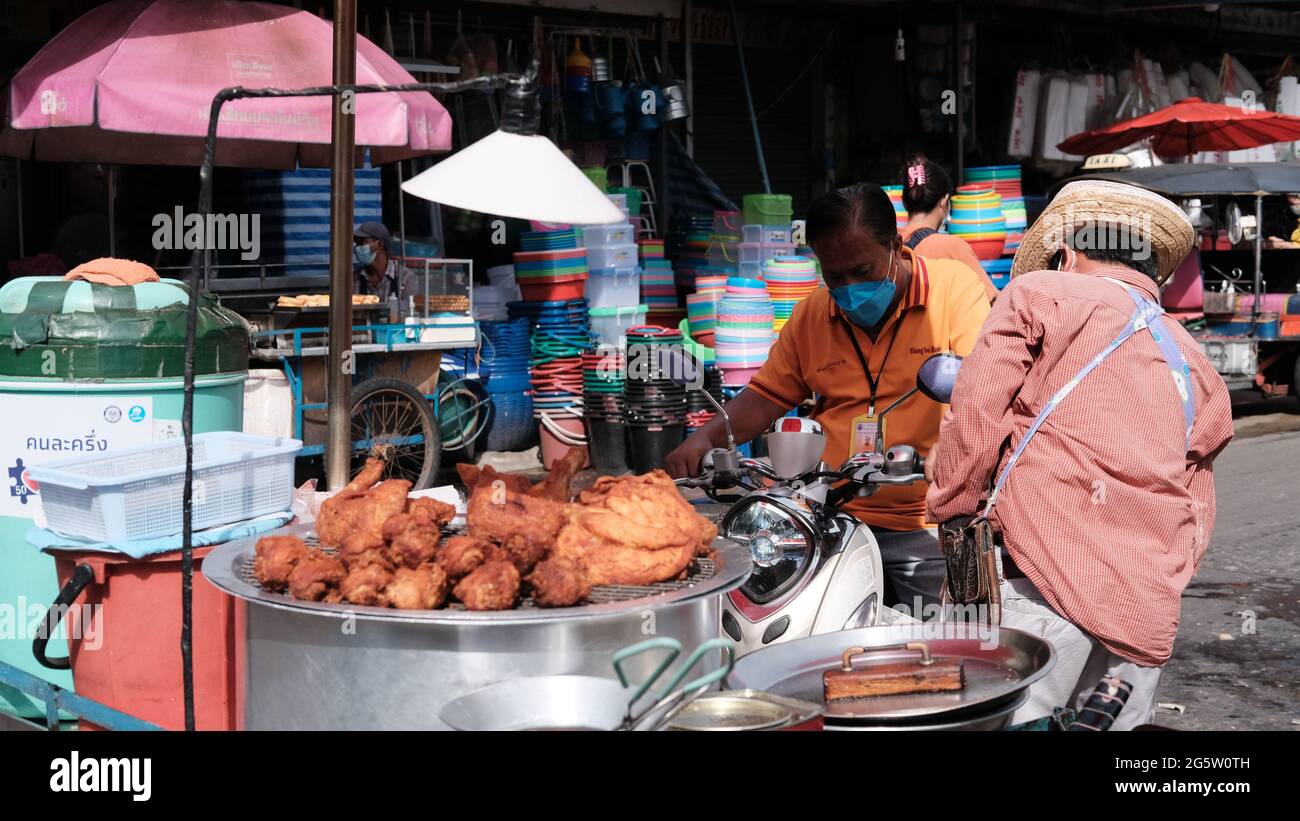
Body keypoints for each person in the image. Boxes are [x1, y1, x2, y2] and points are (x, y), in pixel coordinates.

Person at [926, 180, 1234, 729]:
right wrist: (1155, 576)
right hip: (1144, 605)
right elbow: (1198, 501)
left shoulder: (1038, 294)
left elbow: (975, 420)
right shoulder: (1193, 358)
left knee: (1005, 722)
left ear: (1067, 253)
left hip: (1038, 581)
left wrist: (952, 511)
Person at [666, 182, 992, 612]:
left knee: (955, 639)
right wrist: (706, 438)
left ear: (895, 246)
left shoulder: (954, 291)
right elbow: (766, 396)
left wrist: (952, 450)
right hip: (831, 513)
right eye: (834, 275)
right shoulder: (813, 313)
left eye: (862, 270)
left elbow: (980, 388)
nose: (849, 286)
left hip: (930, 520)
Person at [898, 154, 999, 302]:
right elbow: (992, 300)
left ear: (904, 203)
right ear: (944, 202)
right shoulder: (952, 247)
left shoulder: (889, 243)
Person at [354, 221, 417, 304]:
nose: (357, 248)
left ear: (379, 245)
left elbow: (409, 312)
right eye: (357, 243)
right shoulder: (354, 279)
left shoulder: (405, 278)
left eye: (362, 242)